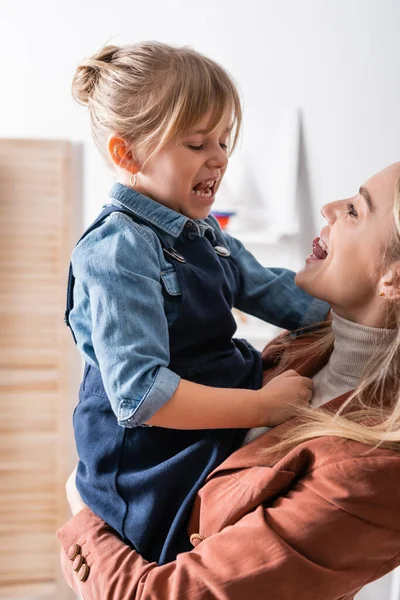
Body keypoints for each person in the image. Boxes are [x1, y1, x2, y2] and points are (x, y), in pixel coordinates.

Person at [59, 162, 400, 600]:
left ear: (393, 279)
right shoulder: (307, 345)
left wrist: (84, 511)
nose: (330, 208)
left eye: (355, 210)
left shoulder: (373, 472)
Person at [65, 41, 328, 565]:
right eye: (195, 143)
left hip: (215, 401)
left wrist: (362, 305)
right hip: (150, 454)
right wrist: (260, 406)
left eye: (224, 140)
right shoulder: (117, 250)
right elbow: (141, 398)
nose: (220, 158)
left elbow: (275, 293)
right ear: (128, 154)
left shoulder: (202, 230)